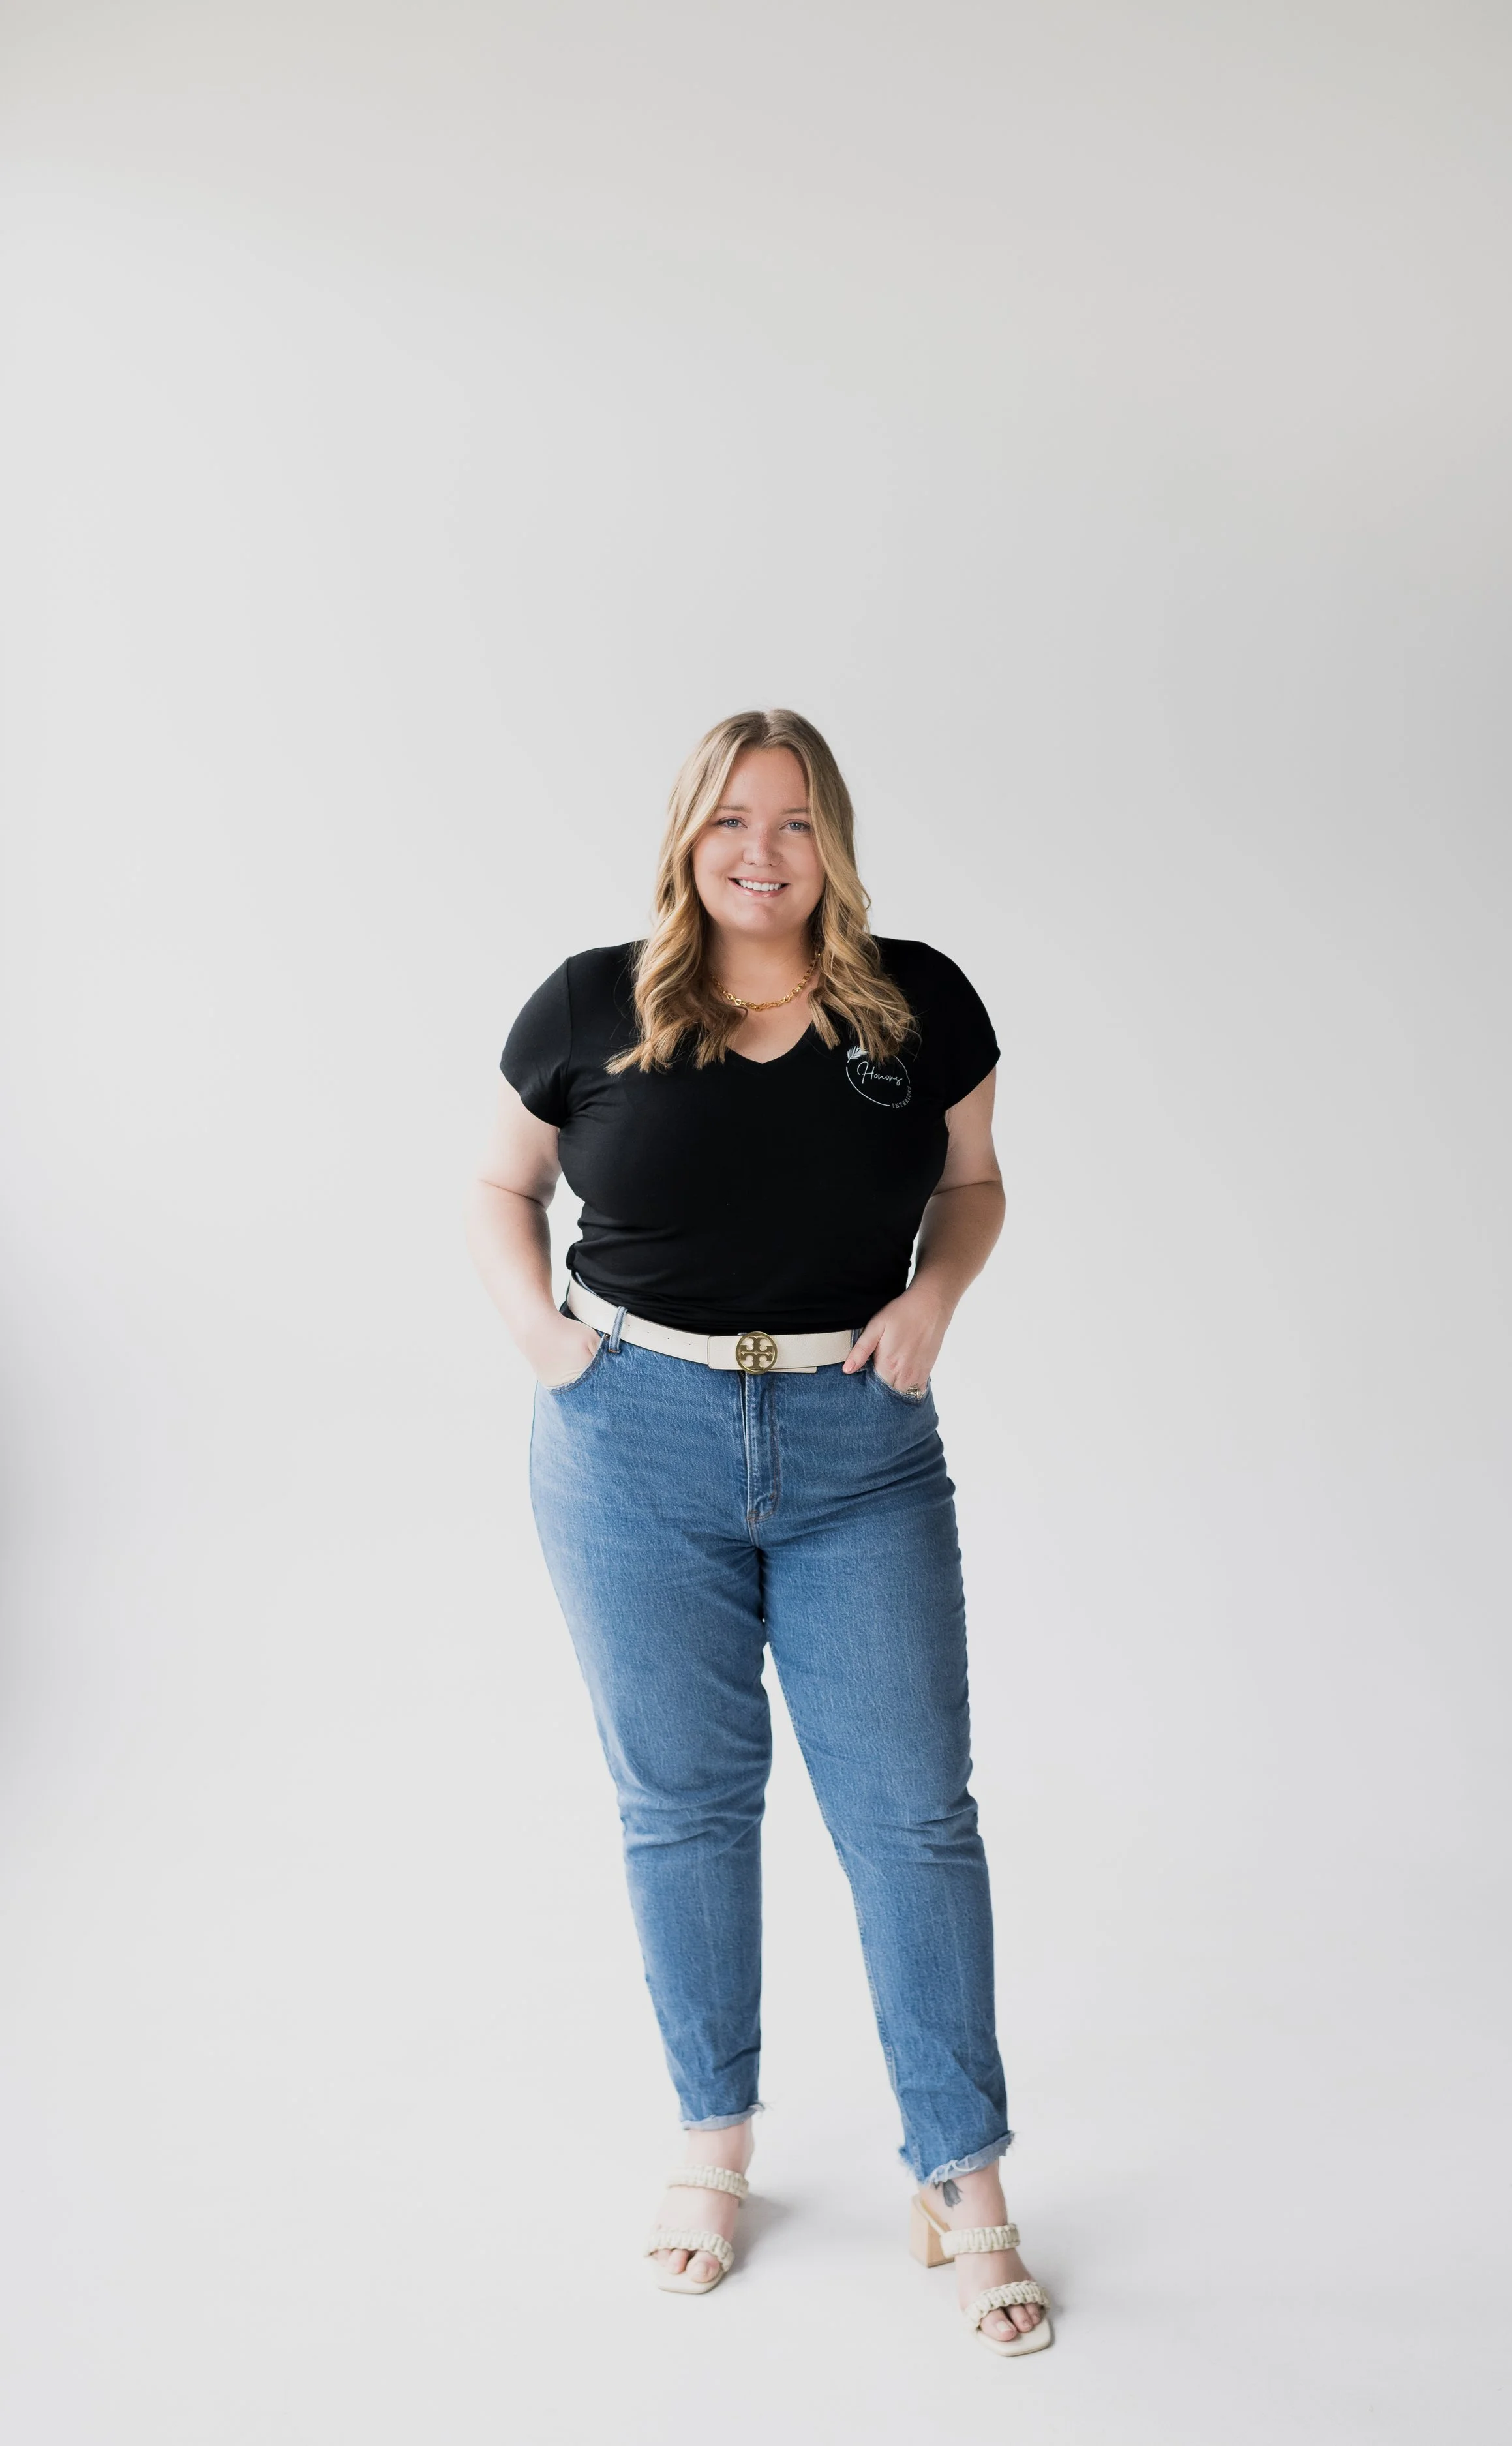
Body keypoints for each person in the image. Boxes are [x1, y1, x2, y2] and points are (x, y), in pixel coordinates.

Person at [464, 709, 1052, 2357]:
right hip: (626, 1442)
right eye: (733, 820)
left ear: (832, 842)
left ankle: (964, 2175)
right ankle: (713, 2146)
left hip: (856, 1440)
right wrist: (545, 1344)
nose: (761, 852)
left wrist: (934, 1298)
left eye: (793, 823)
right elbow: (498, 1188)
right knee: (683, 1807)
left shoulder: (915, 1001)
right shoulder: (595, 999)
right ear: (687, 835)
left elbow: (977, 1184)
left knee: (912, 1818)